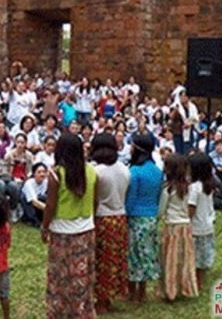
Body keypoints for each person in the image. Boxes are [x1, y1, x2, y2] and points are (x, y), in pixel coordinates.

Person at [41, 134, 98, 319]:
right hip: (86, 229)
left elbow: (50, 205)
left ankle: (60, 311)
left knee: (60, 276)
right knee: (82, 274)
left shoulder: (56, 174)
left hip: (62, 232)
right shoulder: (91, 171)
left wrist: (44, 227)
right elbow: (95, 200)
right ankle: (82, 310)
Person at [90, 132, 130, 313]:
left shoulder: (96, 171)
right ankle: (111, 295)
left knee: (101, 260)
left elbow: (93, 199)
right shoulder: (124, 169)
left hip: (102, 218)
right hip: (120, 217)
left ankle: (101, 299)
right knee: (115, 259)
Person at [125, 133, 162, 304]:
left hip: (136, 217)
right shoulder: (157, 171)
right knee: (146, 253)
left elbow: (131, 198)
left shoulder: (134, 171)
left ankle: (132, 292)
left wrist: (126, 214)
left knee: (133, 255)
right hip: (151, 216)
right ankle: (143, 291)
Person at [158, 154, 198, 301]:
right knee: (184, 258)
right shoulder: (190, 188)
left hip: (172, 226)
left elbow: (161, 210)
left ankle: (170, 289)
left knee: (170, 258)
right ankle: (185, 286)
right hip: (185, 226)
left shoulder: (168, 190)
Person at [188, 152, 216, 290]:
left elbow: (191, 208)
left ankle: (194, 283)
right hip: (208, 224)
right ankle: (200, 282)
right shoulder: (208, 185)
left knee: (194, 256)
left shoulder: (194, 187)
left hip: (196, 227)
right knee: (203, 257)